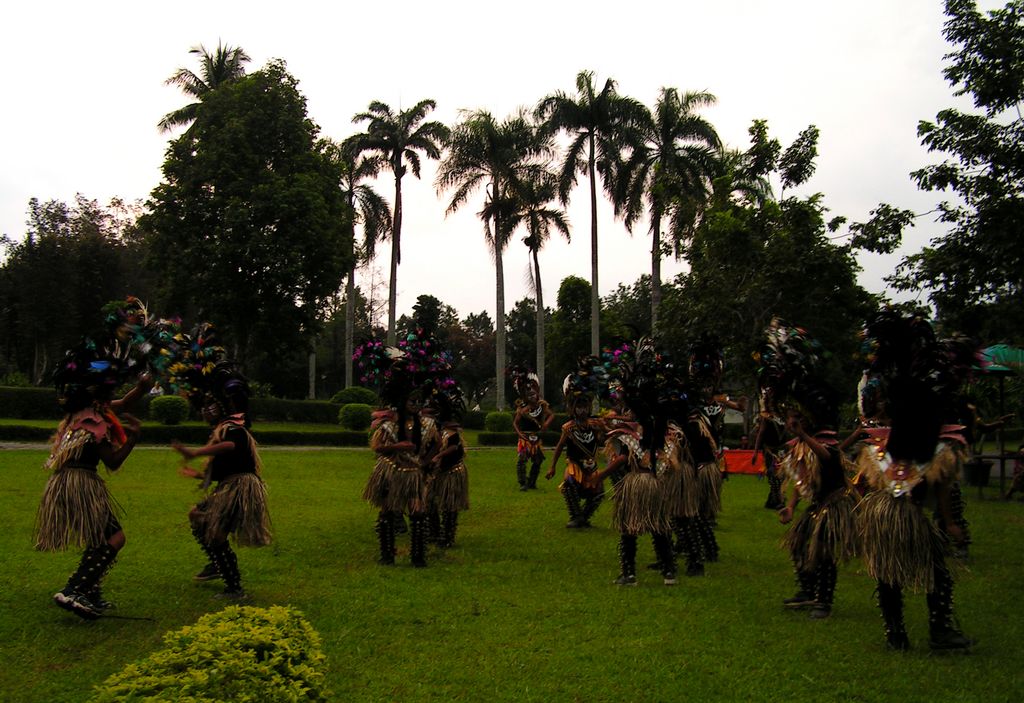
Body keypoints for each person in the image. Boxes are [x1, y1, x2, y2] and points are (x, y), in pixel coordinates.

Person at [858, 309, 973, 651]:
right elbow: (940, 483)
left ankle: (896, 635)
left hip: (884, 512)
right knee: (935, 568)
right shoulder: (929, 439)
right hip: (903, 512)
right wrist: (951, 522)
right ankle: (937, 632)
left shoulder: (887, 438)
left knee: (888, 572)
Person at [37, 340, 148, 620]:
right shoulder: (96, 421)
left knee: (99, 537)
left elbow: (122, 403)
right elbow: (112, 461)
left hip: (63, 483)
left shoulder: (80, 413)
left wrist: (143, 388)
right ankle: (74, 589)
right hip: (80, 482)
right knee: (114, 537)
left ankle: (89, 592)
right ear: (102, 393)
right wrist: (133, 438)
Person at [757, 319, 858, 620]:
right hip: (816, 505)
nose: (789, 421)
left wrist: (802, 435)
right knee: (799, 547)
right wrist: (789, 506)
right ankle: (807, 591)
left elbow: (827, 458)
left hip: (833, 504)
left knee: (825, 554)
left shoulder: (821, 442)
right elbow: (802, 481)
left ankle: (823, 601)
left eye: (794, 417)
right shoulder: (802, 446)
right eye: (788, 417)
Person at [172, 360, 271, 600]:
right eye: (203, 406)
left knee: (215, 533)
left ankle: (234, 588)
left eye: (210, 405)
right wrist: (198, 474)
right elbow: (219, 469)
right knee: (197, 516)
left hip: (240, 487)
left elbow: (230, 446)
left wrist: (195, 453)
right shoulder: (222, 428)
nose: (205, 410)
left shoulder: (233, 428)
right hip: (229, 485)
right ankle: (218, 564)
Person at [547, 357, 607, 528]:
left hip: (592, 465)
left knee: (598, 493)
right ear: (573, 408)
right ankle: (575, 516)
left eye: (585, 407)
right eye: (579, 407)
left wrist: (604, 430)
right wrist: (552, 467)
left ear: (589, 407)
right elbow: (559, 448)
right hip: (575, 465)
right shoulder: (568, 428)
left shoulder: (595, 425)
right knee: (569, 483)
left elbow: (601, 441)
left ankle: (584, 517)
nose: (582, 410)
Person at [424, 377, 469, 548]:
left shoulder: (451, 428)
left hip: (452, 471)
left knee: (449, 505)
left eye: (435, 407)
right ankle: (434, 533)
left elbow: (453, 447)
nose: (430, 409)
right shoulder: (429, 427)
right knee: (429, 502)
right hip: (436, 472)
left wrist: (438, 456)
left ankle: (448, 537)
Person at [511, 368, 553, 491]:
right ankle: (523, 483)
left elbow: (552, 415)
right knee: (522, 460)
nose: (532, 396)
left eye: (534, 394)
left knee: (538, 460)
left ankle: (532, 482)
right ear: (525, 396)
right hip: (525, 438)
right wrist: (520, 434)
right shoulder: (522, 408)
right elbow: (515, 423)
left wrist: (545, 424)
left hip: (537, 438)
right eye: (529, 395)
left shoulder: (542, 405)